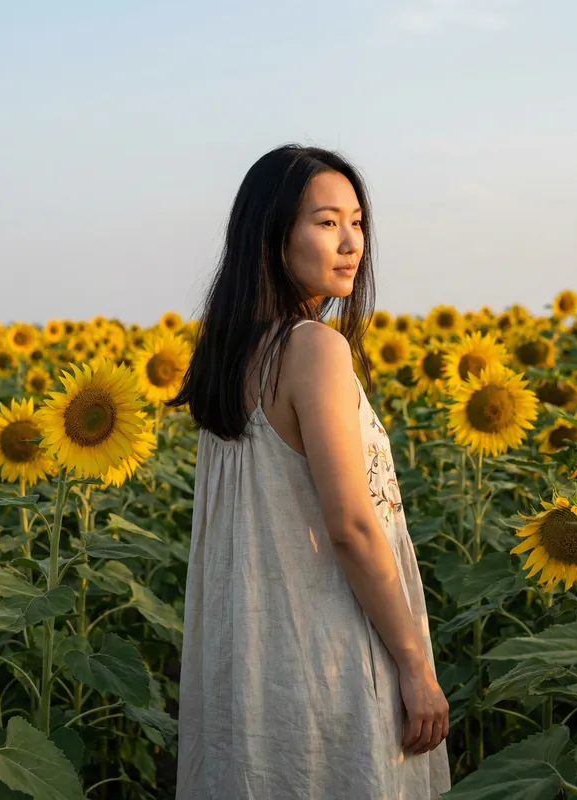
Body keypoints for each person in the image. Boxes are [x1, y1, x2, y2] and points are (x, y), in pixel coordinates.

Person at [167, 143, 451, 799]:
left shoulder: (230, 357)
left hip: (251, 665)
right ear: (274, 234)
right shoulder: (313, 348)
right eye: (326, 222)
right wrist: (414, 665)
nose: (351, 242)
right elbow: (351, 525)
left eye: (356, 221)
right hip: (329, 657)